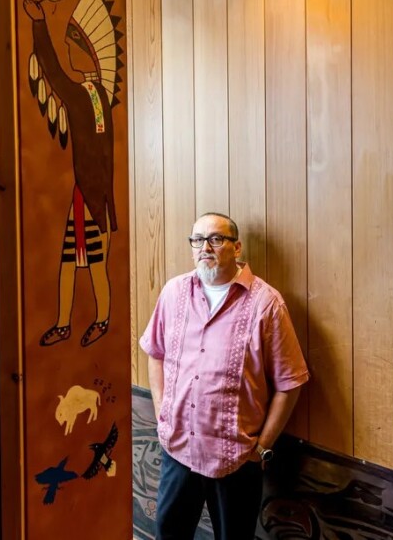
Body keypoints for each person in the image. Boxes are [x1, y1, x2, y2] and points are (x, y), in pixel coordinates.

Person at [139, 212, 310, 540]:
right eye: (198, 240)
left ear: (236, 247)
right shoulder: (174, 292)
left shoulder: (266, 303)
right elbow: (155, 352)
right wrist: (163, 414)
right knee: (168, 534)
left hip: (236, 459)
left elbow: (291, 382)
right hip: (178, 448)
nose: (206, 247)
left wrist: (261, 448)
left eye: (216, 239)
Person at [22, 0, 124, 348]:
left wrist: (38, 24)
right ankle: (69, 322)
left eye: (71, 44)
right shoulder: (97, 95)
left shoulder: (86, 97)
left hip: (92, 194)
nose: (67, 49)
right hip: (91, 192)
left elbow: (51, 71)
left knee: (93, 261)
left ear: (87, 54)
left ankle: (98, 319)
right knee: (73, 259)